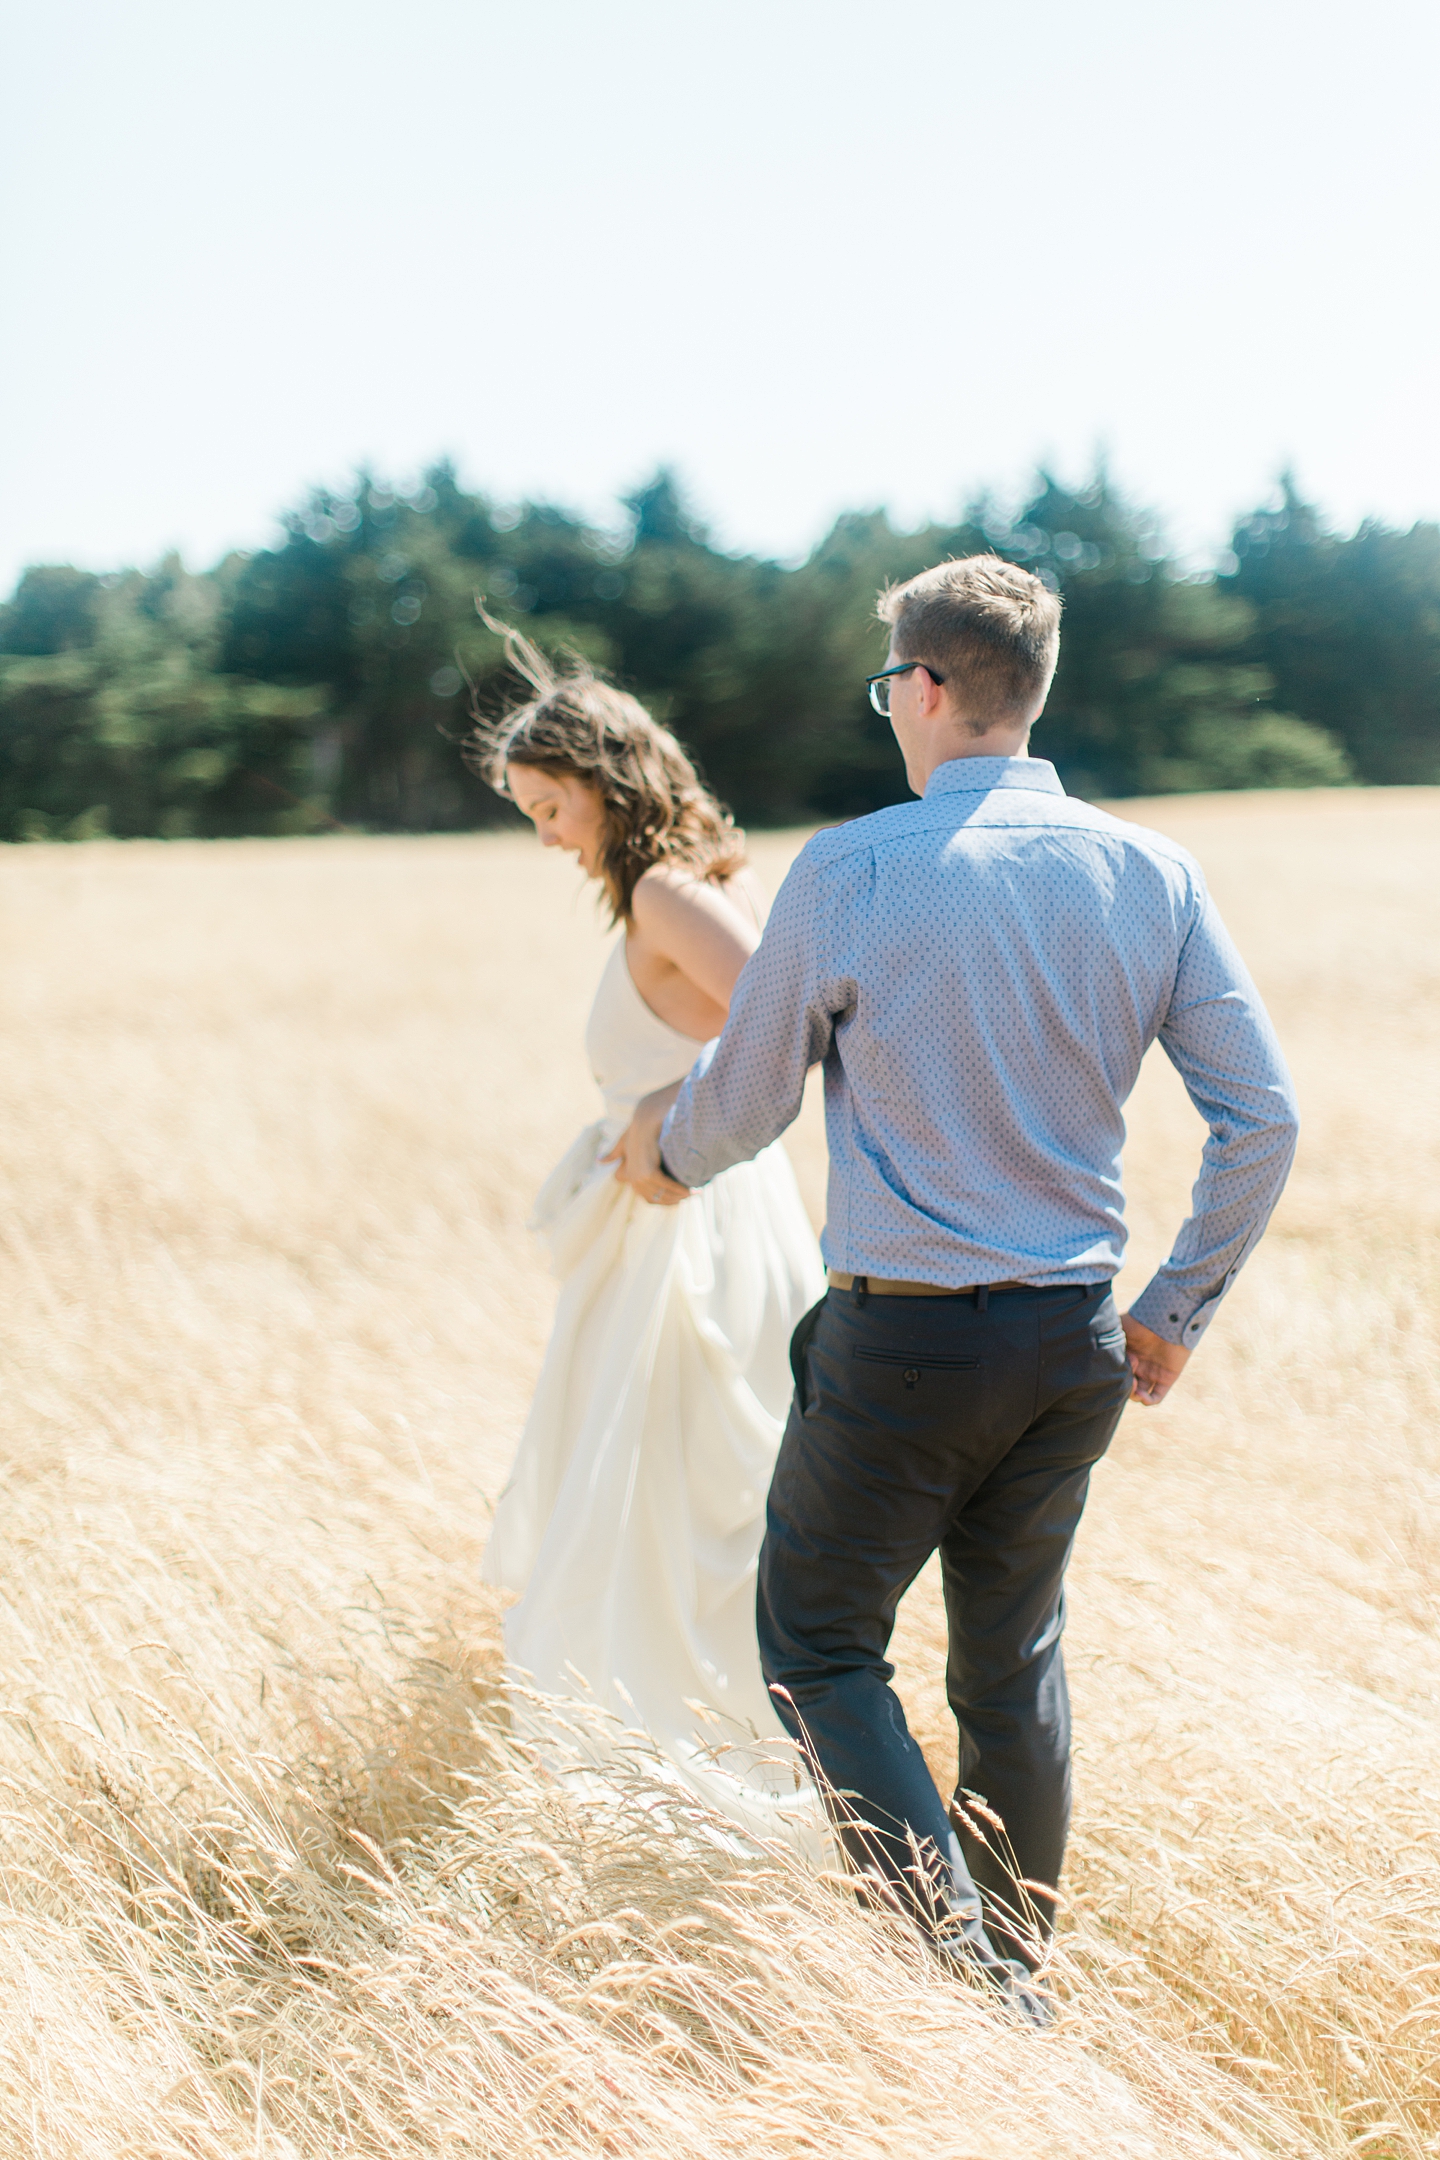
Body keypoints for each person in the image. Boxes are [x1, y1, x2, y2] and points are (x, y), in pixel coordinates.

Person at [618, 555, 1299, 2011]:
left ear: (926, 691)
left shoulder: (854, 868)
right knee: (1011, 1670)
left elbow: (742, 1110)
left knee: (812, 1647)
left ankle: (980, 1987)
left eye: (889, 691)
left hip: (903, 1351)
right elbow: (1268, 1118)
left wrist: (656, 1154)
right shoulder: (1151, 872)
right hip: (1072, 1351)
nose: (889, 715)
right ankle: (1014, 1979)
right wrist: (1169, 1315)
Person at [472, 625, 826, 1848]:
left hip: (699, 1232)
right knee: (646, 1491)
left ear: (604, 783)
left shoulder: (676, 894)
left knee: (671, 1495)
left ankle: (704, 1768)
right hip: (679, 1221)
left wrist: (666, 1115)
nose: (545, 833)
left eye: (549, 805)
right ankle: (678, 1762)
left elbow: (796, 1021)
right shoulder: (674, 888)